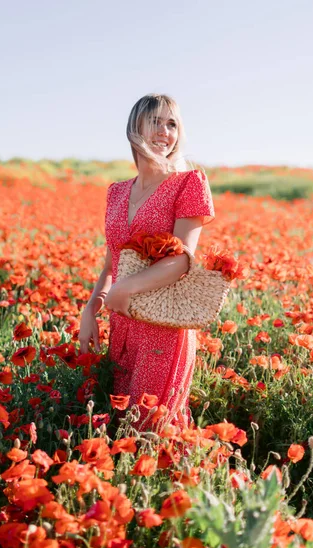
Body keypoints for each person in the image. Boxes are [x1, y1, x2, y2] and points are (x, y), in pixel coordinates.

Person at [79, 93, 215, 432]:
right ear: (134, 128)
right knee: (121, 427)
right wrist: (90, 309)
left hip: (163, 325)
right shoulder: (117, 192)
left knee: (152, 430)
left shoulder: (189, 183)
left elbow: (183, 259)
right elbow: (113, 259)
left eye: (172, 124)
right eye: (155, 121)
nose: (165, 131)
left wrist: (124, 289)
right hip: (122, 325)